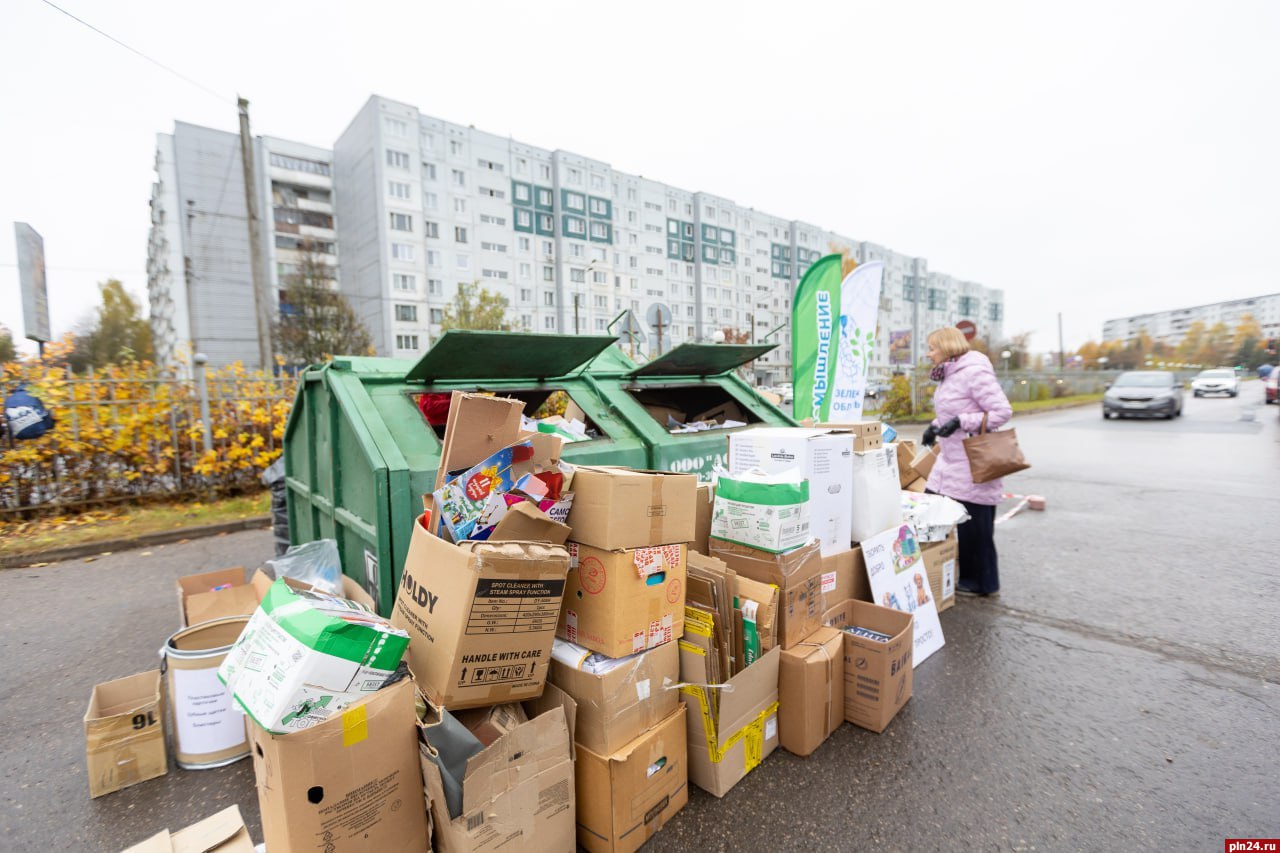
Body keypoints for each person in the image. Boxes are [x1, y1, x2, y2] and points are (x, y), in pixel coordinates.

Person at [920, 328, 1012, 596]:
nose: (928, 353)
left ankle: (983, 583)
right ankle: (935, 569)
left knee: (976, 529)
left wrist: (961, 422)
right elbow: (954, 409)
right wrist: (935, 426)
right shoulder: (949, 374)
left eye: (932, 347)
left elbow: (1001, 412)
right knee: (928, 509)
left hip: (974, 460)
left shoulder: (974, 371)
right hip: (951, 459)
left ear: (947, 347)